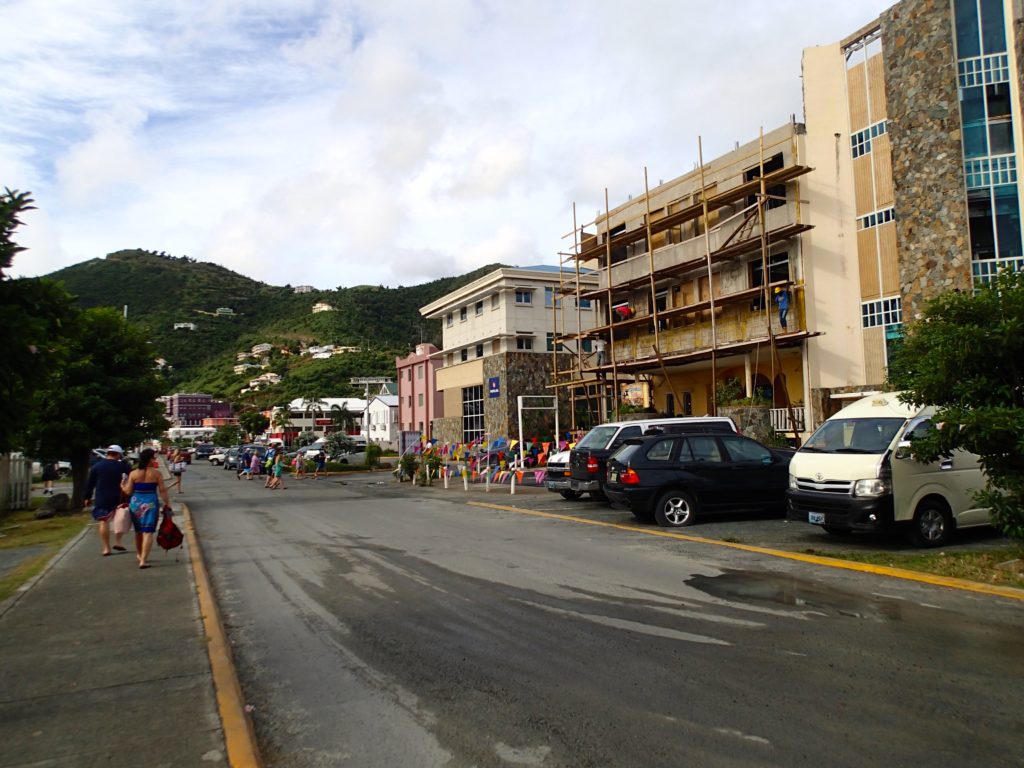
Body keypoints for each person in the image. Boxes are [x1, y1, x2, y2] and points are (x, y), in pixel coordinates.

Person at [121, 448, 172, 570]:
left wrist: (122, 486)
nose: (155, 459)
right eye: (153, 457)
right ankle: (143, 560)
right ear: (149, 459)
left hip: (136, 504)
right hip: (151, 504)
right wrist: (167, 503)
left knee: (138, 531)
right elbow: (162, 491)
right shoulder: (156, 474)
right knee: (148, 532)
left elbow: (128, 491)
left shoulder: (133, 473)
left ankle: (139, 554)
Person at [84, 445, 131, 557]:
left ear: (108, 453)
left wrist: (87, 497)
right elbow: (131, 478)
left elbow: (90, 484)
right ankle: (118, 542)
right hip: (119, 496)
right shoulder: (123, 466)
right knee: (120, 519)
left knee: (103, 521)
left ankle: (106, 548)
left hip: (102, 497)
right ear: (118, 454)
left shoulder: (96, 466)